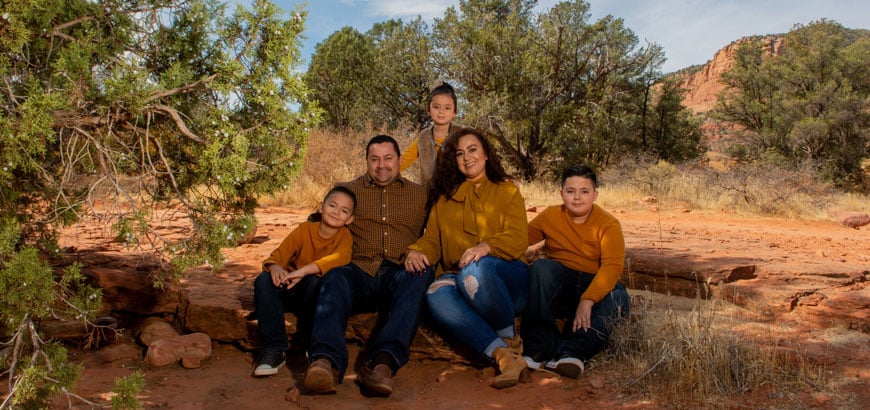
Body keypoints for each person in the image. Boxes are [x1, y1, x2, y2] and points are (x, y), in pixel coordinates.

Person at [303, 135, 431, 397]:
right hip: (359, 270)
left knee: (422, 273)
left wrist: (419, 250)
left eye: (388, 158)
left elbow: (437, 232)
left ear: (399, 160)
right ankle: (325, 362)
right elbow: (322, 223)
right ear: (366, 161)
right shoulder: (348, 191)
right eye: (374, 159)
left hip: (400, 270)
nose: (381, 165)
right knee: (336, 277)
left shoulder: (421, 195)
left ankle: (381, 364)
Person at [405, 127, 530, 389]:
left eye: (472, 150)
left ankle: (510, 340)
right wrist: (417, 251)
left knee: (476, 269)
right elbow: (433, 241)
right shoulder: (444, 200)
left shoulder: (507, 191)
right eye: (460, 153)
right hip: (460, 278)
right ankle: (504, 356)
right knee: (436, 292)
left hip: (506, 280)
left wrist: (486, 246)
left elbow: (519, 238)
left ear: (486, 155)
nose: (467, 157)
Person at [520, 165, 631, 379]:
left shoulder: (609, 224)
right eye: (570, 191)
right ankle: (538, 350)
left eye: (584, 192)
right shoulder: (550, 215)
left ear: (595, 195)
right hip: (562, 284)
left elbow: (611, 267)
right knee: (542, 268)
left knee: (619, 297)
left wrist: (588, 300)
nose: (577, 198)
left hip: (594, 283)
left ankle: (572, 353)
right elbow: (518, 240)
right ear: (561, 193)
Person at [251, 185, 356, 377]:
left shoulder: (345, 237)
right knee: (263, 281)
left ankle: (312, 347)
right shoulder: (304, 230)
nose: (336, 213)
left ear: (350, 219)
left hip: (314, 297)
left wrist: (303, 271)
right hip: (290, 287)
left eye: (344, 211)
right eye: (332, 206)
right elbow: (277, 256)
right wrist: (275, 268)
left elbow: (341, 258)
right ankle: (274, 350)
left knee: (315, 282)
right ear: (321, 207)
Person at [399, 82, 458, 185]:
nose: (441, 111)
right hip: (429, 195)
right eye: (436, 107)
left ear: (454, 112)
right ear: (428, 110)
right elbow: (404, 160)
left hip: (460, 194)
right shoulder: (424, 138)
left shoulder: (463, 135)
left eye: (447, 108)